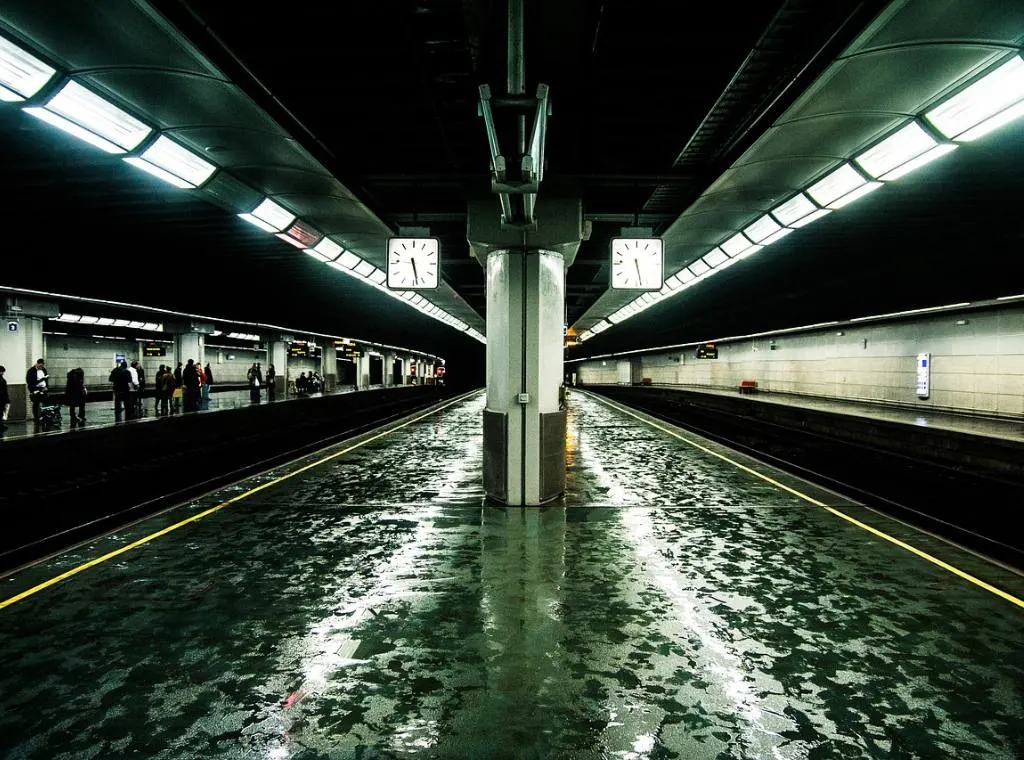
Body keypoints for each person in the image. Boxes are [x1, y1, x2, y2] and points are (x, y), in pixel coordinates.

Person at [25, 358, 48, 423]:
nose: (42, 367)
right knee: (36, 403)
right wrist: (39, 381)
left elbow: (46, 379)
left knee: (45, 403)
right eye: (40, 366)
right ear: (37, 363)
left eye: (43, 366)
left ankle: (44, 417)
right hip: (36, 389)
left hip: (44, 388)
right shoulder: (31, 371)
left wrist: (46, 386)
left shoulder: (43, 370)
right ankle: (36, 418)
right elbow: (29, 381)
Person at [0, 366, 9, 431]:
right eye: (2, 372)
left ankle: (1, 424)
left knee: (1, 412)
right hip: (1, 398)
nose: (2, 373)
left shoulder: (2, 379)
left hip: (2, 398)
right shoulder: (2, 379)